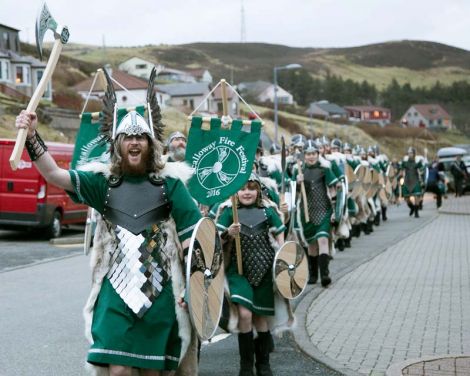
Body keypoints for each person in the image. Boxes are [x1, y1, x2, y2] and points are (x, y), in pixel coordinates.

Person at [15, 72, 201, 375]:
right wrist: (32, 137)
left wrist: (193, 289)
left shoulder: (171, 185)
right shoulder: (104, 183)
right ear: (118, 145)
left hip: (160, 288)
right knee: (118, 371)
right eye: (127, 137)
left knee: (152, 372)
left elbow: (196, 240)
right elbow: (55, 175)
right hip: (115, 288)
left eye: (140, 137)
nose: (134, 142)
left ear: (151, 144)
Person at [216, 173, 286, 376]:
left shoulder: (267, 211)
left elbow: (281, 236)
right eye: (242, 188)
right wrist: (228, 232)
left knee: (261, 318)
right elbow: (215, 242)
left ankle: (263, 364)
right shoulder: (229, 211)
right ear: (236, 191)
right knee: (245, 315)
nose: (247, 192)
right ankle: (246, 366)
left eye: (251, 188)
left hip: (264, 271)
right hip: (239, 272)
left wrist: (284, 257)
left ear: (258, 191)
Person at [294, 140, 338, 287]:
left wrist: (335, 210)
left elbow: (333, 189)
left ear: (318, 154)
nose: (311, 157)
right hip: (306, 211)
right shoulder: (298, 171)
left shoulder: (325, 169)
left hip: (324, 209)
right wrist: (297, 184)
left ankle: (325, 274)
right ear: (304, 156)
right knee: (312, 244)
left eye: (313, 153)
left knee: (323, 240)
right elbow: (294, 195)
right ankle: (313, 274)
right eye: (308, 154)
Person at [400, 147, 424, 218]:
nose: (410, 154)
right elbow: (401, 169)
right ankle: (412, 208)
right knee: (406, 198)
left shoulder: (417, 161)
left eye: (411, 153)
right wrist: (400, 173)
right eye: (409, 153)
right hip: (407, 180)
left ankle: (416, 213)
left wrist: (421, 170)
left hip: (415, 180)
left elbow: (422, 169)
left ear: (414, 154)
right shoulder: (405, 162)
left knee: (417, 196)